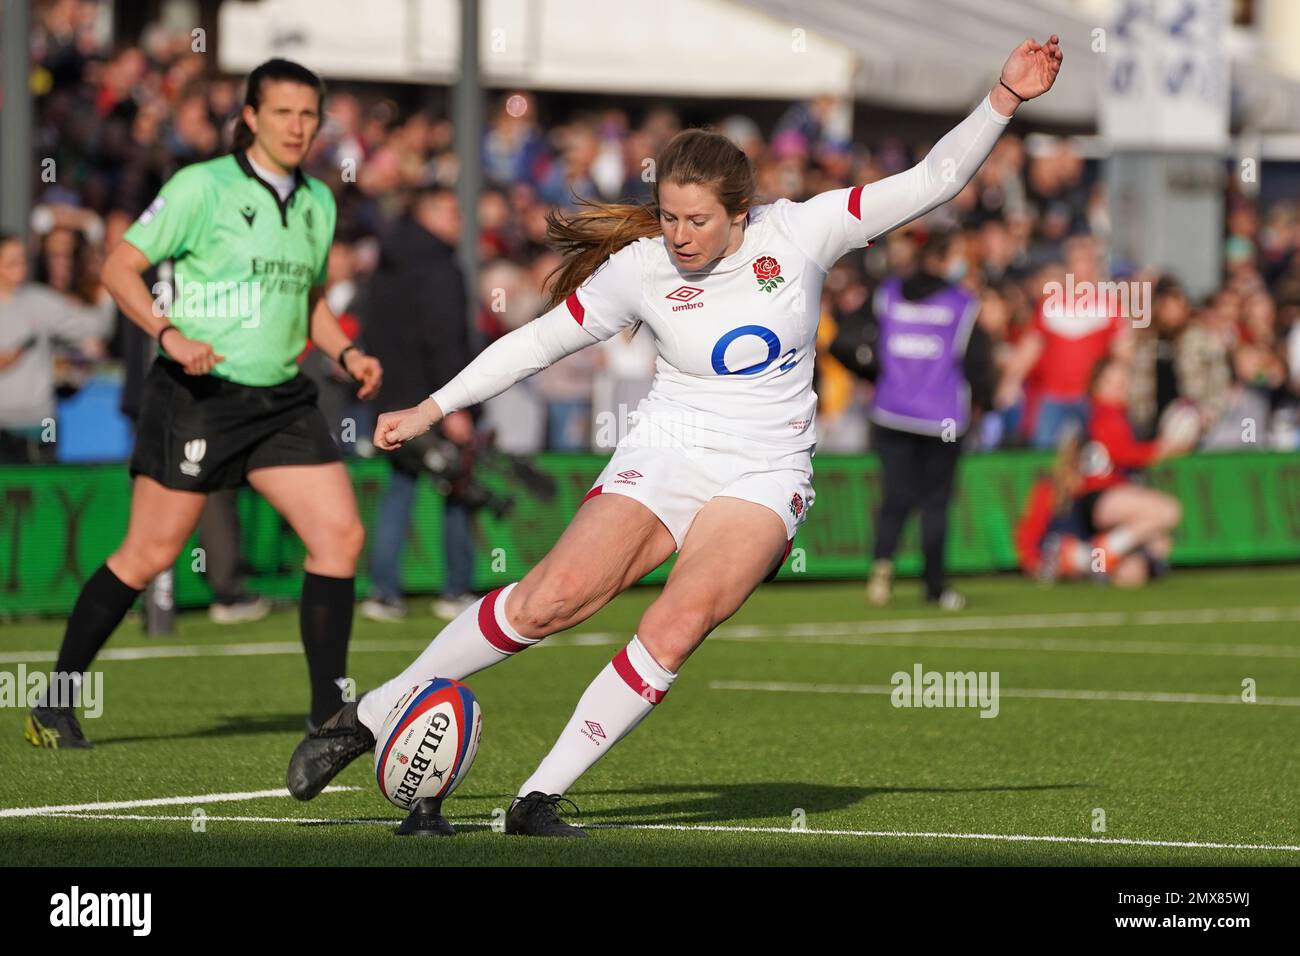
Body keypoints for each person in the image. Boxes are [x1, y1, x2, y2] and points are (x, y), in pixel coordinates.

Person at [288, 37, 1063, 836]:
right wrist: (431, 406)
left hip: (765, 472)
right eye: (668, 217)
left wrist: (1004, 95)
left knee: (676, 623)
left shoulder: (802, 232)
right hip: (664, 451)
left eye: (698, 221)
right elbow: (539, 342)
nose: (680, 235)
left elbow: (933, 181)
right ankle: (368, 717)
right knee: (551, 600)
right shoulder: (641, 267)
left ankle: (537, 799)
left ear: (742, 213)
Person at [25, 58, 382, 750]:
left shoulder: (319, 200)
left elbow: (307, 302)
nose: (297, 126)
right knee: (150, 551)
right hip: (198, 394)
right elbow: (118, 265)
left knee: (340, 537)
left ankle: (324, 719)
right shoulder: (201, 186)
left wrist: (345, 353)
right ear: (249, 116)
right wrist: (168, 331)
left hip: (282, 397)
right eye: (282, 112)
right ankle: (55, 699)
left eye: (308, 114)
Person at [832, 230, 996, 609]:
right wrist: (984, 406)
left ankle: (880, 571)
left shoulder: (887, 293)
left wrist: (873, 375)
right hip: (942, 419)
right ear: (942, 259)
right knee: (935, 503)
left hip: (891, 412)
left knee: (895, 498)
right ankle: (936, 588)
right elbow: (977, 364)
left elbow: (842, 341)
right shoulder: (961, 303)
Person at [356, 187, 478, 623]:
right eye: (451, 210)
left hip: (392, 397)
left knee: (401, 489)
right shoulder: (439, 266)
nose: (460, 220)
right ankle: (457, 587)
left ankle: (384, 590)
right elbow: (443, 339)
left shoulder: (386, 263)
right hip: (433, 398)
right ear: (428, 214)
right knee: (457, 487)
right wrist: (456, 403)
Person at [1022, 355, 1189, 585]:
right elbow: (1122, 453)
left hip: (1107, 504)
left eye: (1124, 380)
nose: (1121, 385)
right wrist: (1161, 449)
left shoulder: (1116, 415)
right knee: (1169, 511)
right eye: (1113, 380)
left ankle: (1080, 558)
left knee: (1135, 572)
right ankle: (1103, 550)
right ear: (1098, 384)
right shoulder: (1101, 413)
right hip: (1102, 496)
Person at [0, 232, 114, 464]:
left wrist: (108, 287)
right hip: (3, 425)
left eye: (23, 260)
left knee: (46, 485)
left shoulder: (40, 302)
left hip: (43, 422)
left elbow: (95, 326)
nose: (21, 267)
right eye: (12, 262)